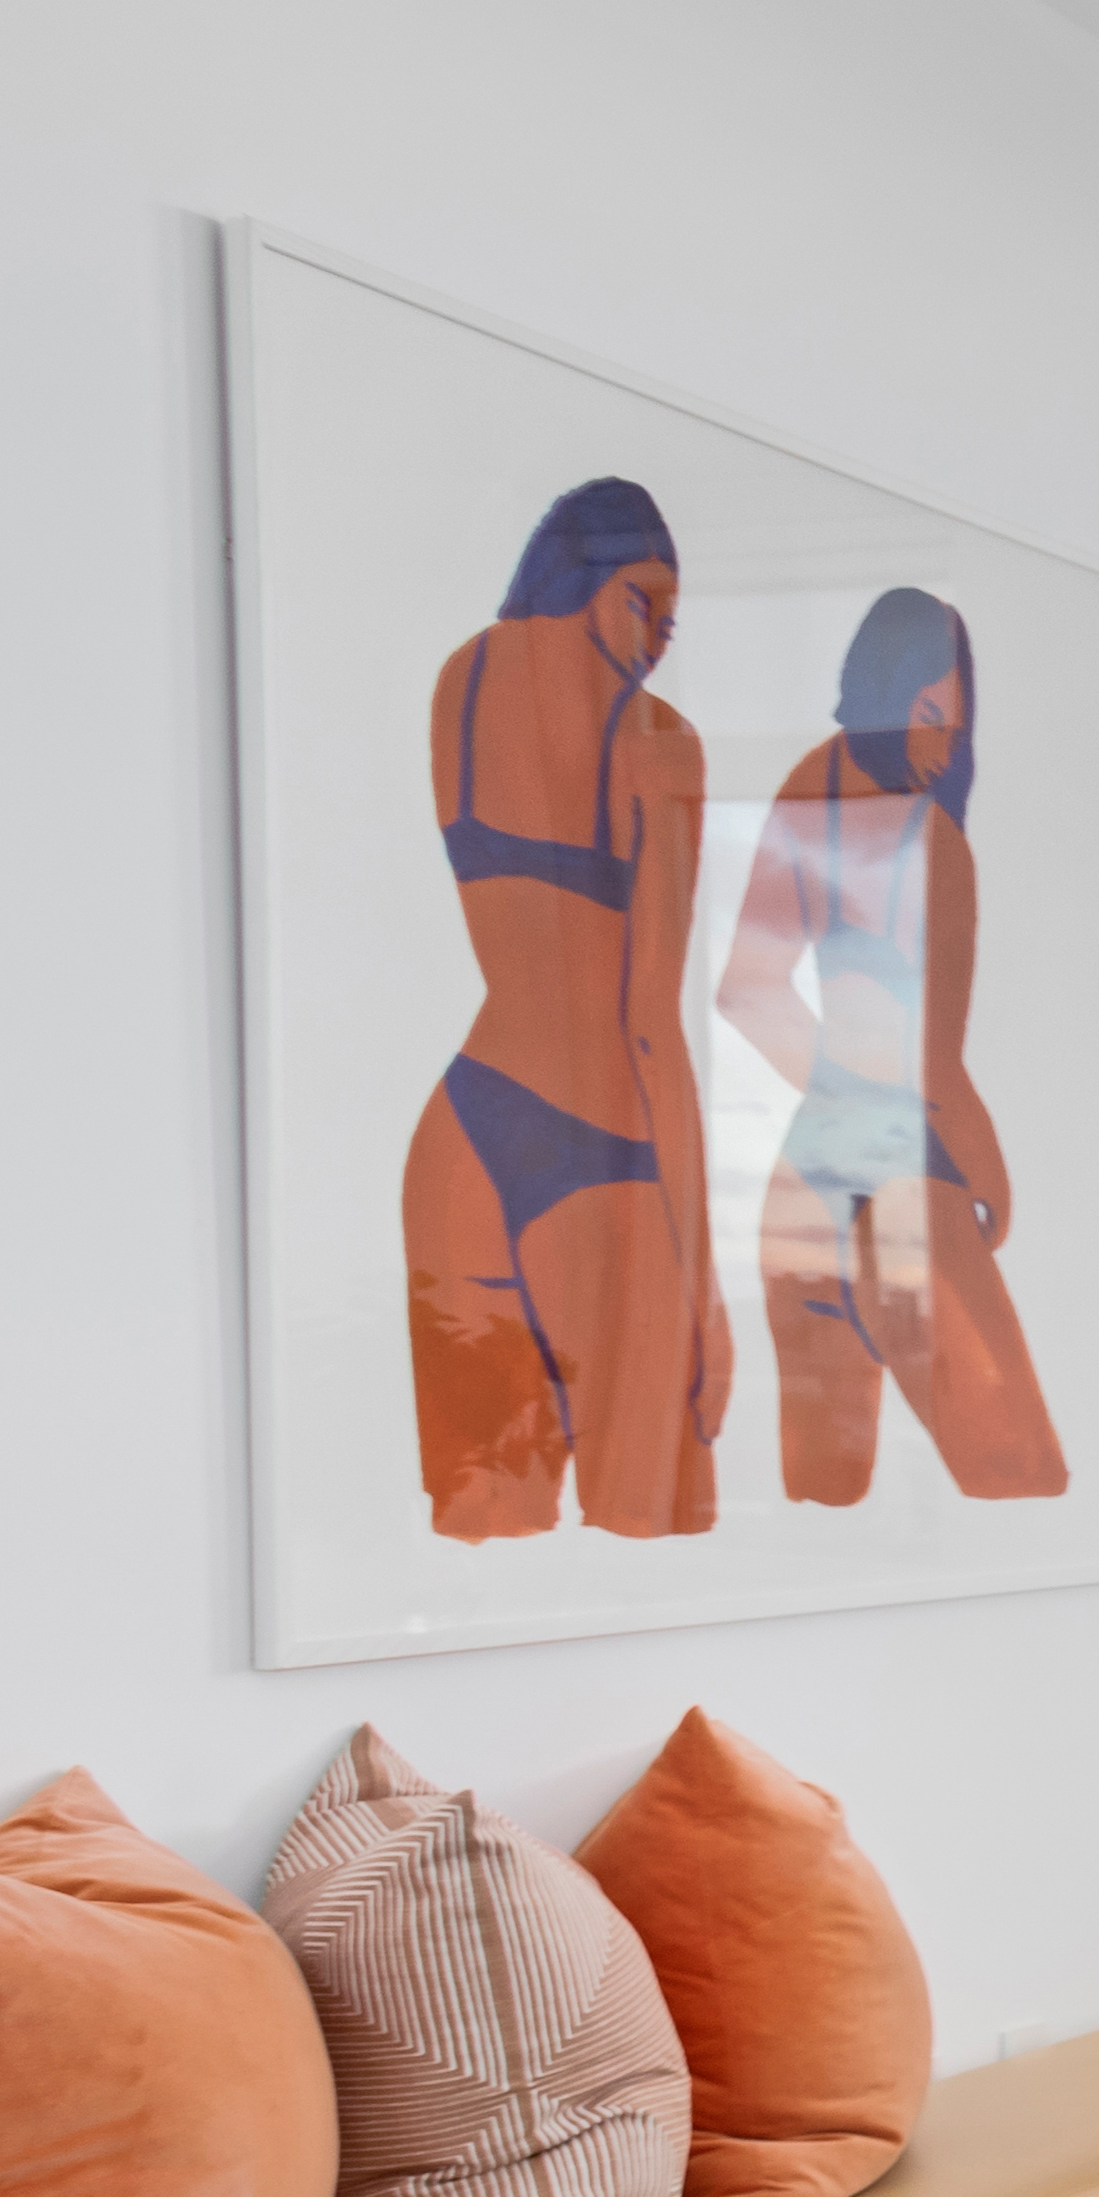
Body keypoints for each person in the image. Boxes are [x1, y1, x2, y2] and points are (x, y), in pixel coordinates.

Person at [401, 475, 725, 1543]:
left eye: (674, 620)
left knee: (483, 1548)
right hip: (605, 1159)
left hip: (464, 1136)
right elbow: (647, 1020)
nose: (659, 637)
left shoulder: (465, 679)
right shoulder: (660, 738)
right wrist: (701, 1290)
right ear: (586, 579)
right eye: (643, 600)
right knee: (642, 1547)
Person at [722, 588, 1074, 1509]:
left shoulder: (808, 787)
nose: (940, 745)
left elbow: (746, 992)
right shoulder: (932, 837)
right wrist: (986, 1164)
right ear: (884, 692)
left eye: (952, 726)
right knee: (1024, 1488)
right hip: (905, 1185)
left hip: (799, 1199)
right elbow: (935, 1066)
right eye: (928, 712)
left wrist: (841, 1093)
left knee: (824, 1525)